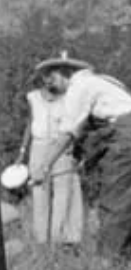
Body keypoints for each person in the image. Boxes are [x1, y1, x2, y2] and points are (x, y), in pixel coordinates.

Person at [31, 54, 131, 260]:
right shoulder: (105, 80)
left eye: (51, 79)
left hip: (127, 138)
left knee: (116, 200)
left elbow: (67, 133)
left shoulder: (78, 87)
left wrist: (44, 166)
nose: (50, 86)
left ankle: (107, 264)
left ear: (65, 74)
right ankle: (128, 262)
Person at [17, 73, 84, 247]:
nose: (50, 80)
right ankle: (41, 242)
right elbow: (29, 124)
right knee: (39, 193)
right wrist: (22, 152)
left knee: (63, 194)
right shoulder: (32, 97)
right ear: (42, 77)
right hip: (38, 147)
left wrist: (77, 151)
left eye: (54, 75)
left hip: (62, 147)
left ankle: (60, 241)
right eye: (47, 75)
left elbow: (75, 127)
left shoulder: (69, 97)